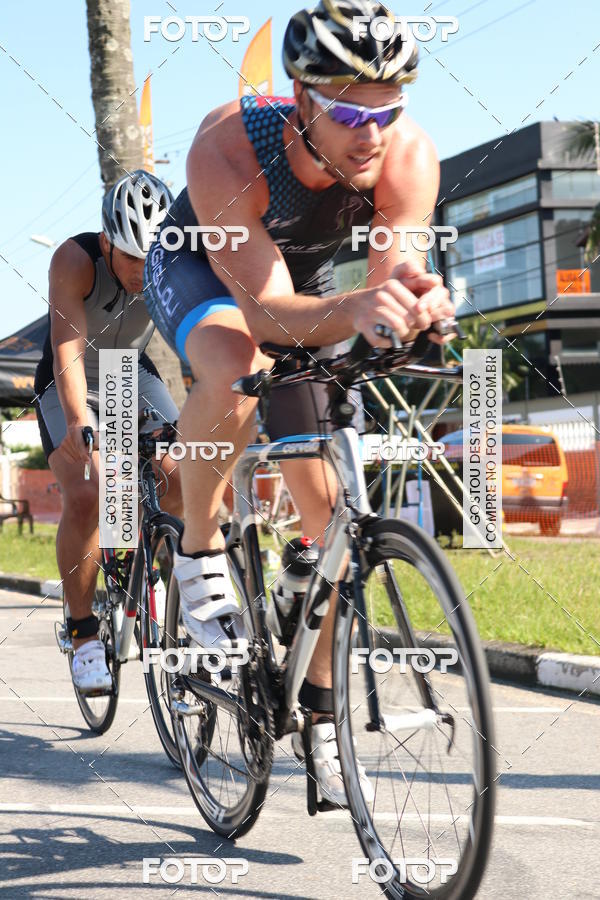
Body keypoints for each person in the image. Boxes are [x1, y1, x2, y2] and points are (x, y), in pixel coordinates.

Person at [144, 0, 456, 805]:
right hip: (206, 275)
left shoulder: (407, 156)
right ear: (301, 94)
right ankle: (198, 551)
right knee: (234, 358)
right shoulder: (229, 143)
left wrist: (414, 301)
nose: (373, 130)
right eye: (351, 109)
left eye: (390, 107)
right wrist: (352, 310)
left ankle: (319, 708)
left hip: (302, 289)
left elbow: (392, 266)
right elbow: (263, 312)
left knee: (333, 534)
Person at [35, 170, 183, 694]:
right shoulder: (74, 261)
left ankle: (163, 582)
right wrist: (79, 421)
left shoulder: (179, 257)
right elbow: (66, 348)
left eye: (156, 257)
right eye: (133, 258)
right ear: (106, 243)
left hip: (127, 372)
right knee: (89, 494)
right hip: (69, 375)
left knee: (181, 474)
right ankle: (81, 634)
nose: (146, 271)